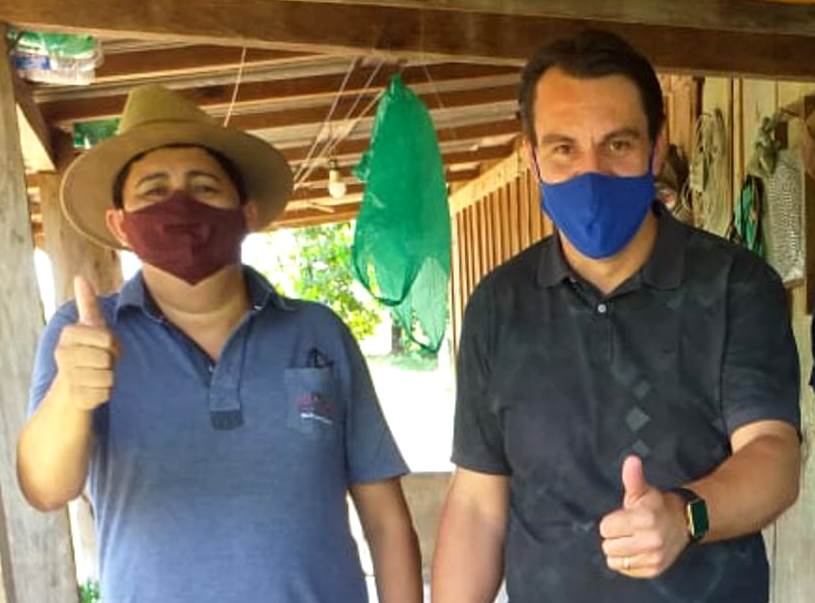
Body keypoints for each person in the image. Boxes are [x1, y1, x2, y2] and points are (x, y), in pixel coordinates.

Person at [432, 30, 801, 602]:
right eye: (564, 149)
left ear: (656, 148)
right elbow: (479, 505)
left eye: (618, 144)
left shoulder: (736, 286)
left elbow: (774, 456)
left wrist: (685, 516)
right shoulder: (498, 306)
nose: (592, 172)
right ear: (531, 157)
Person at [17, 84, 422, 603]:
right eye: (153, 191)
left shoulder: (318, 333)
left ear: (246, 214)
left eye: (205, 187)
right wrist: (71, 395)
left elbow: (386, 521)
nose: (180, 204)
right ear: (119, 224)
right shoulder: (83, 336)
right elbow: (45, 489)